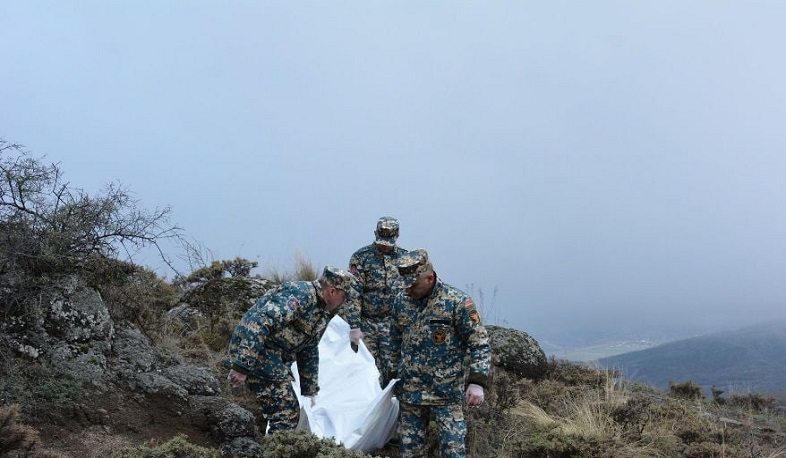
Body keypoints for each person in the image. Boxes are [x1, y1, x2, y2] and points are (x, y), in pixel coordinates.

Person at [226, 265, 356, 433]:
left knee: (287, 411)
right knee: (286, 412)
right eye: (344, 296)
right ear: (332, 291)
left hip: (271, 356)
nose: (344, 301)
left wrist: (309, 390)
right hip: (257, 351)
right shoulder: (301, 296)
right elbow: (260, 322)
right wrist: (242, 366)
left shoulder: (320, 310)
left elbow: (308, 348)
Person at [389, 249, 491, 458]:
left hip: (446, 393)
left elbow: (479, 341)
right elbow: (394, 340)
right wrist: (390, 376)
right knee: (410, 453)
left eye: (413, 285)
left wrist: (477, 381)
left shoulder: (457, 302)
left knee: (452, 452)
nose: (408, 290)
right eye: (405, 284)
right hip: (411, 394)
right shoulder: (401, 301)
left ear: (429, 278)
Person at [343, 216, 408, 386]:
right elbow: (353, 294)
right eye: (381, 242)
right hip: (367, 323)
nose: (384, 247)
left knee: (394, 369)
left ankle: (394, 409)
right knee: (366, 369)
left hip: (393, 324)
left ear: (397, 236)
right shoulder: (361, 258)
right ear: (374, 233)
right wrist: (354, 326)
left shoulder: (405, 259)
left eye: (388, 243)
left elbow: (412, 293)